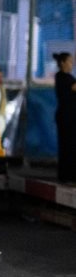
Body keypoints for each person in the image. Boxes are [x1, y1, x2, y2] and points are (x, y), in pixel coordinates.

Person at [53, 52, 76, 183]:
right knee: (68, 146)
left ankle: (69, 174)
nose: (71, 64)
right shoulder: (62, 77)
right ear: (62, 63)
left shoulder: (69, 77)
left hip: (71, 117)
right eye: (69, 61)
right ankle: (67, 175)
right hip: (67, 117)